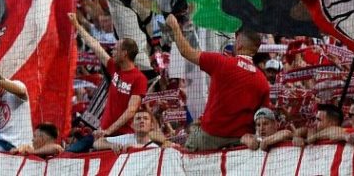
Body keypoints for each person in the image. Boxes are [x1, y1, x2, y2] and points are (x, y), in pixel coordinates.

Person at [165, 14, 271, 151]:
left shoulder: (221, 62)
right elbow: (263, 115)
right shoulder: (262, 80)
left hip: (209, 138)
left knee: (190, 131)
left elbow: (186, 51)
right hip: (240, 141)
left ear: (238, 44)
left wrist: (174, 26)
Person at [67, 13, 148, 152]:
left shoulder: (139, 78)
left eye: (116, 49)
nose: (112, 51)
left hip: (123, 137)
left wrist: (108, 131)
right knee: (68, 153)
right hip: (103, 135)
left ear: (125, 53)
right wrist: (76, 25)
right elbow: (95, 46)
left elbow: (131, 111)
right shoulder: (114, 68)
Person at [92, 108, 170, 153]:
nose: (142, 121)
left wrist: (135, 147)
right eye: (138, 119)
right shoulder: (125, 139)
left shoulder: (155, 148)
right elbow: (96, 143)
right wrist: (111, 146)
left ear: (152, 125)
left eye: (145, 118)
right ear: (132, 125)